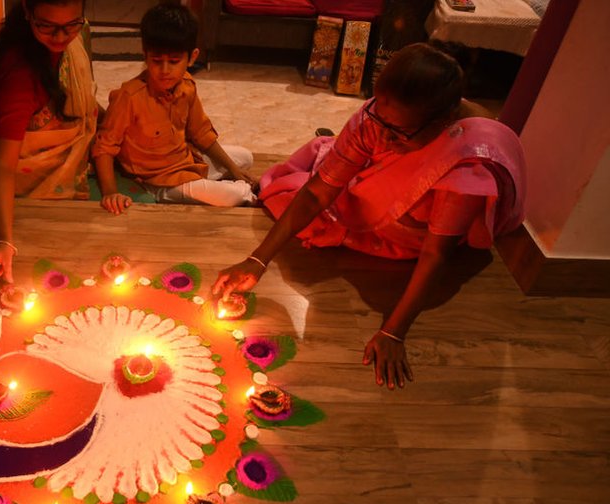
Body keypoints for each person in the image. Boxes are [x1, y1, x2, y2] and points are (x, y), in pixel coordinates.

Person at [211, 42, 526, 391]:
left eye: (399, 134)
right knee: (288, 191)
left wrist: (394, 330)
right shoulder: (376, 119)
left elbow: (437, 252)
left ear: (443, 122)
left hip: (417, 230)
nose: (384, 138)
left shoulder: (466, 159)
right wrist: (257, 259)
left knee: (311, 203)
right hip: (371, 194)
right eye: (379, 119)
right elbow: (317, 192)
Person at [91, 3, 257, 214]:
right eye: (157, 61)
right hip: (157, 181)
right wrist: (110, 192)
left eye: (174, 61)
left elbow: (201, 134)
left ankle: (225, 181)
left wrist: (234, 171)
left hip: (185, 162)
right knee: (238, 194)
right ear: (145, 54)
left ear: (192, 57)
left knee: (245, 158)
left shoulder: (187, 86)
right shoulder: (129, 97)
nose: (165, 70)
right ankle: (238, 191)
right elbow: (104, 148)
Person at [0, 0, 98, 291]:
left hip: (74, 159)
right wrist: (4, 240)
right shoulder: (19, 75)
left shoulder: (79, 35)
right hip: (34, 177)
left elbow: (81, 99)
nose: (60, 38)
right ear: (28, 13)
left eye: (71, 25)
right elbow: (5, 167)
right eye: (47, 27)